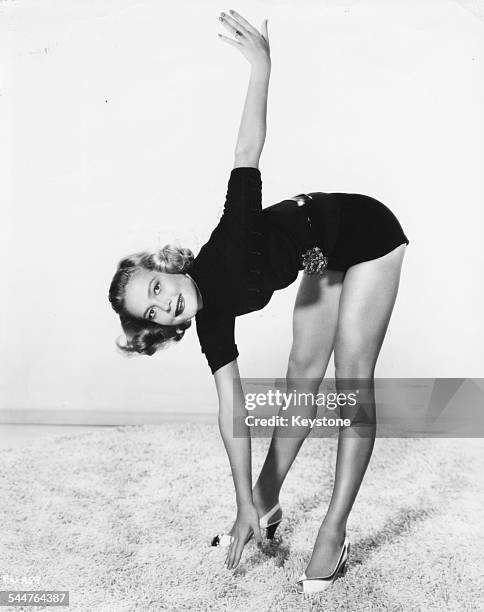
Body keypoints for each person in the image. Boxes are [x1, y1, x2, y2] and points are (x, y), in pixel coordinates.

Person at [108, 10, 409, 594]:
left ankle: (334, 531)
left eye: (154, 289)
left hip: (368, 233)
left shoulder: (228, 242)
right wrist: (243, 499)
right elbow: (233, 414)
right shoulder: (210, 323)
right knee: (301, 374)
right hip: (323, 254)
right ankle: (266, 506)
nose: (162, 306)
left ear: (166, 267)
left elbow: (247, 146)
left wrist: (261, 68)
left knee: (351, 382)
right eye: (150, 314)